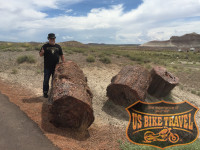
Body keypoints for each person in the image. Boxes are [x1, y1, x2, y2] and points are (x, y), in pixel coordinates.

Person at [39, 33, 65, 98]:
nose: (52, 40)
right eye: (51, 38)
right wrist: (42, 52)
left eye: (53, 38)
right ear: (48, 39)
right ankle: (45, 93)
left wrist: (64, 63)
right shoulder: (44, 46)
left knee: (54, 81)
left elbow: (61, 55)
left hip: (56, 68)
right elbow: (40, 55)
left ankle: (53, 92)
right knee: (46, 80)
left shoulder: (58, 46)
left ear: (55, 39)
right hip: (47, 67)